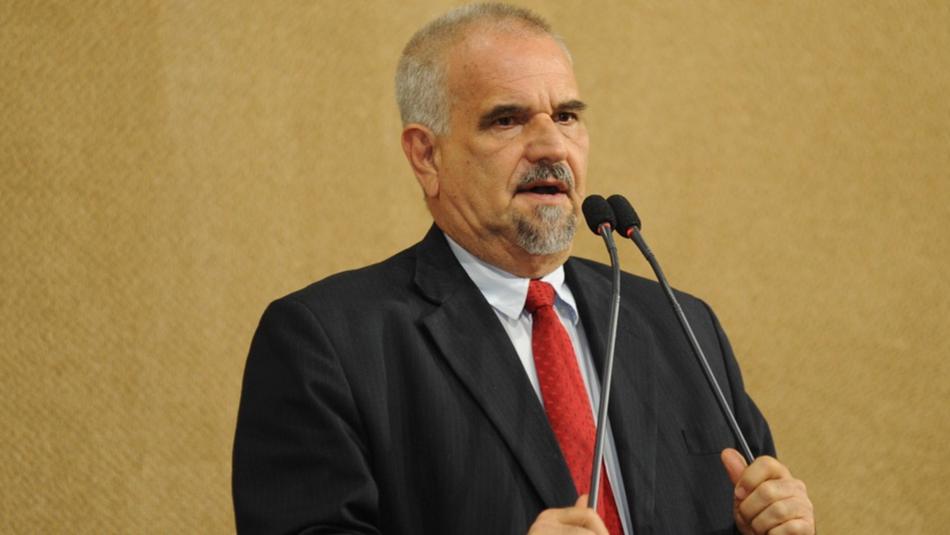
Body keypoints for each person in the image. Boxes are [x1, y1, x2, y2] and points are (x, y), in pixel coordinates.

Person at [232, 4, 815, 534]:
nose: (551, 147)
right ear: (426, 155)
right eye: (506, 120)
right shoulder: (329, 342)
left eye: (566, 116)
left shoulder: (680, 324)